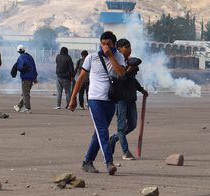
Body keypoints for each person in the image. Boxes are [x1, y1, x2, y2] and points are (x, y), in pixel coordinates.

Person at [68, 31, 125, 175]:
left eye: (108, 44)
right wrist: (73, 98)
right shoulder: (91, 57)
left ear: (114, 45)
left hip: (111, 100)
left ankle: (87, 161)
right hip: (95, 99)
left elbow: (121, 73)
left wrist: (111, 56)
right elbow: (80, 78)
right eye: (103, 44)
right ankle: (109, 162)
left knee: (98, 133)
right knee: (102, 131)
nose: (105, 47)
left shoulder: (118, 57)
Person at [108, 39, 148, 161]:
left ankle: (114, 138)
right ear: (119, 48)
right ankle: (126, 151)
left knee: (132, 124)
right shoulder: (115, 62)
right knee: (121, 126)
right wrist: (128, 70)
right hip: (120, 98)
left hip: (130, 97)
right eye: (126, 47)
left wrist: (141, 89)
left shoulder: (131, 62)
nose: (129, 49)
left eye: (130, 47)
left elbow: (131, 80)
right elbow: (119, 79)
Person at [11, 45, 37, 113]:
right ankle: (19, 106)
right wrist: (35, 77)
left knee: (25, 94)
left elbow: (20, 67)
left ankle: (28, 108)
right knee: (25, 93)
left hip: (25, 78)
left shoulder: (20, 57)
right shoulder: (30, 57)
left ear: (18, 51)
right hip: (31, 77)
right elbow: (34, 67)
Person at [54, 46, 75, 110]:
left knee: (59, 92)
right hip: (66, 78)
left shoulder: (58, 56)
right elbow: (71, 68)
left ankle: (58, 105)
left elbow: (57, 63)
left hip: (58, 77)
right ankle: (69, 105)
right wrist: (72, 76)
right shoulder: (68, 58)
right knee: (68, 92)